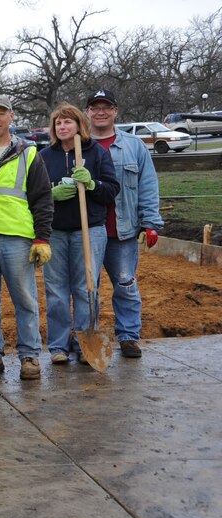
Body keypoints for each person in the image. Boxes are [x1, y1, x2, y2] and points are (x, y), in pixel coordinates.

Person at [38, 103, 119, 364]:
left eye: (67, 122)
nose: (62, 127)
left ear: (79, 125)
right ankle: (59, 346)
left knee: (87, 288)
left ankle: (85, 341)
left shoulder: (95, 153)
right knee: (56, 291)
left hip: (90, 230)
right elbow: (34, 194)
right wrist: (51, 194)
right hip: (56, 232)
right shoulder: (45, 156)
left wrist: (93, 183)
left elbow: (111, 189)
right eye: (58, 123)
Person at [0, 95, 53, 381]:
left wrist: (41, 238)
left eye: (2, 113)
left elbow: (43, 198)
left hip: (17, 237)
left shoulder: (28, 152)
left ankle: (30, 356)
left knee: (25, 299)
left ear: (11, 117)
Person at [85, 89, 163, 359]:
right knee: (87, 288)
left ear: (115, 111)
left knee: (126, 284)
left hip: (123, 230)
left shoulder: (133, 146)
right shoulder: (78, 145)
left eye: (106, 107)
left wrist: (151, 222)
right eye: (95, 107)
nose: (101, 112)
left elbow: (148, 185)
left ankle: (128, 336)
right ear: (88, 113)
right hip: (87, 231)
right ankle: (87, 337)